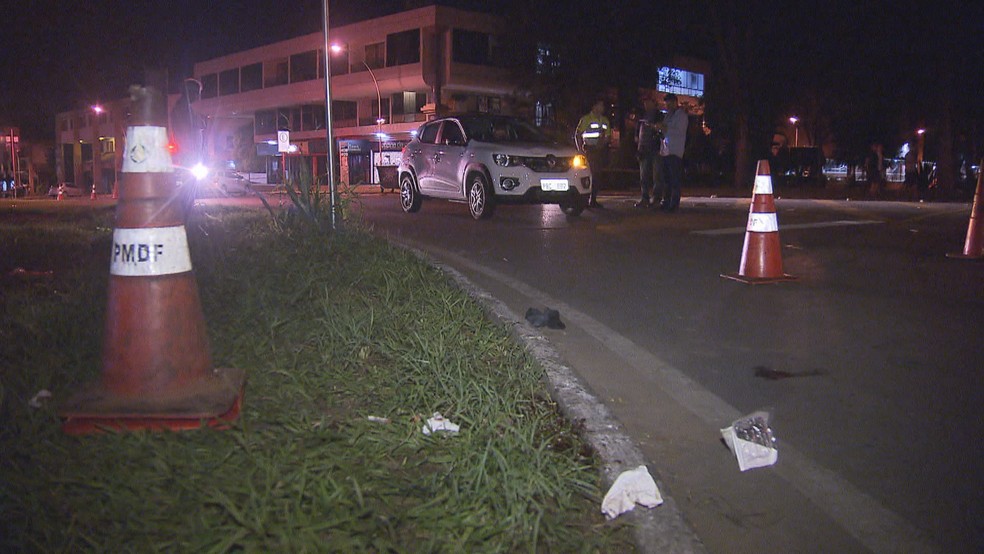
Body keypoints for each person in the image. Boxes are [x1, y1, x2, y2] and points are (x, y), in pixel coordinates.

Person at [575, 99, 611, 208]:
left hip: (600, 150)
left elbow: (608, 135)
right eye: (600, 105)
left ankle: (593, 199)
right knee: (589, 174)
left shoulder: (604, 120)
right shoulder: (586, 119)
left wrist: (603, 143)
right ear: (594, 106)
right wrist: (580, 150)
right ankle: (586, 199)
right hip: (589, 150)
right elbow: (578, 134)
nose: (602, 108)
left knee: (597, 175)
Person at [657, 93, 688, 212]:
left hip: (675, 150)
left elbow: (679, 131)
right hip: (665, 150)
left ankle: (674, 204)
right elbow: (665, 130)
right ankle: (666, 201)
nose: (667, 106)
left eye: (669, 103)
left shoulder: (681, 116)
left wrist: (664, 128)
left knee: (674, 179)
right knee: (667, 179)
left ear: (675, 102)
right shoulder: (668, 115)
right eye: (666, 103)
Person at [635, 98, 664, 208]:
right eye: (645, 102)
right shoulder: (642, 115)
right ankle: (644, 197)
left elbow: (662, 129)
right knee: (644, 175)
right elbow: (637, 134)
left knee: (657, 175)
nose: (646, 104)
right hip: (643, 149)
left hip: (655, 148)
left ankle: (656, 198)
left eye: (648, 102)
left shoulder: (659, 115)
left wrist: (653, 127)